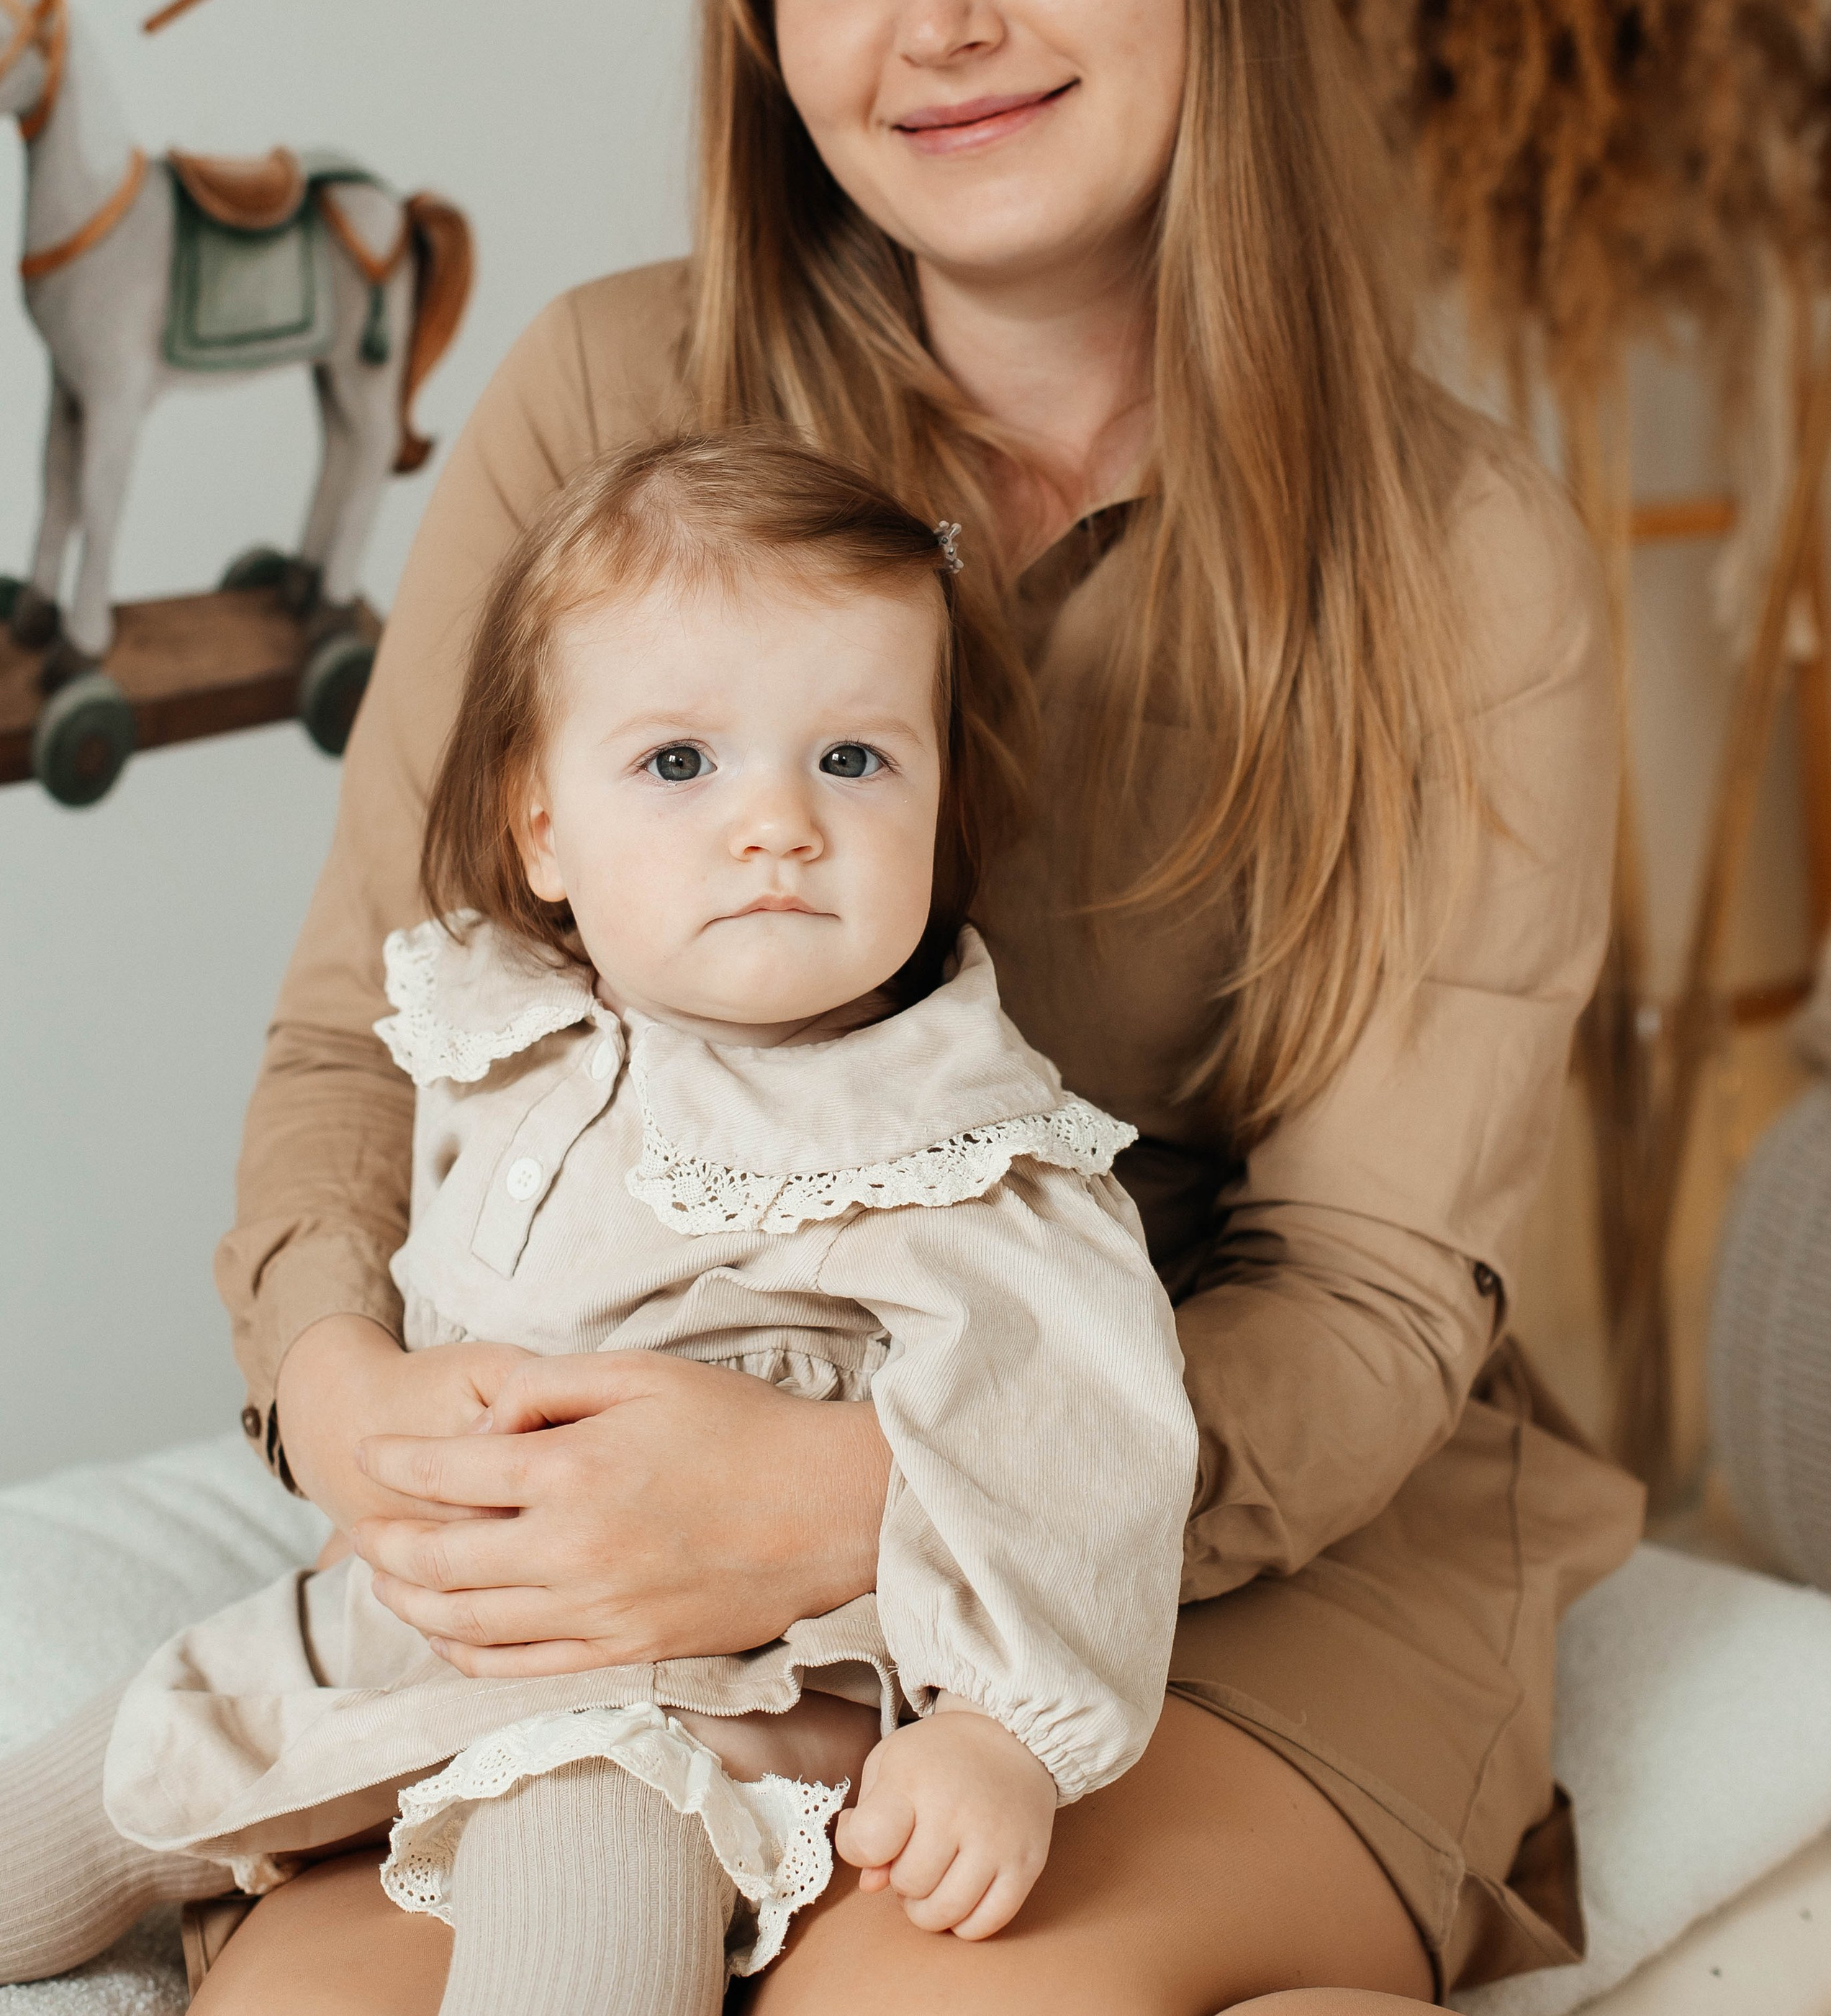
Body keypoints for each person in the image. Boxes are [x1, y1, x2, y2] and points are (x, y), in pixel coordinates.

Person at [188, 0, 1639, 2015]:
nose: (932, 17)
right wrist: (354, 1404)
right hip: (668, 1389)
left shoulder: (1464, 554)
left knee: (922, 1995)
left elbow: (1371, 1289)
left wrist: (872, 1504)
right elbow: (362, 1036)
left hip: (1213, 1509)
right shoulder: (599, 401)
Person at [0, 436, 1197, 2015]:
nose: (775, 823)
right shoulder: (506, 1021)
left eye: (851, 759)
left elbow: (1075, 1455)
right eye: (680, 764)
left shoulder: (951, 1137)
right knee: (108, 1775)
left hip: (686, 1699)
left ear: (938, 801)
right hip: (398, 1615)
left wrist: (1001, 1734)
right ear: (544, 829)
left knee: (581, 1879)